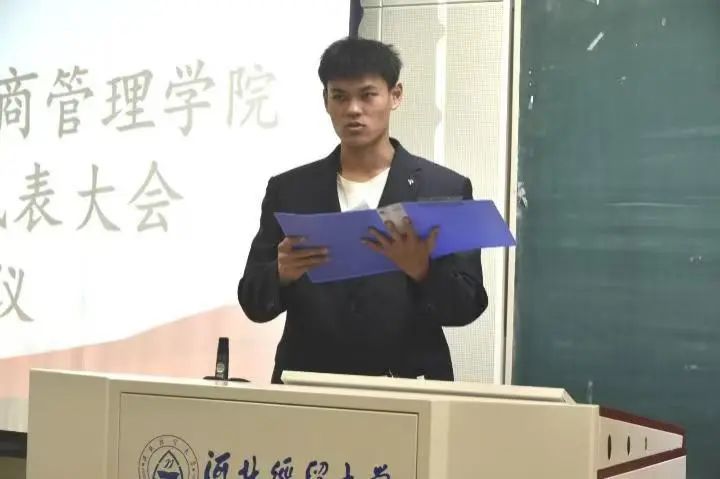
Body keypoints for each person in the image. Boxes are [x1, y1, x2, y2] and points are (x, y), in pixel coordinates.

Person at [238, 37, 488, 384]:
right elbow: (253, 302)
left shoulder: (443, 189)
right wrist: (280, 273)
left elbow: (467, 305)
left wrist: (422, 271)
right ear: (325, 101)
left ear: (395, 95)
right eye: (340, 96)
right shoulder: (290, 189)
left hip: (408, 386)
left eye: (368, 95)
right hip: (308, 386)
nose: (353, 109)